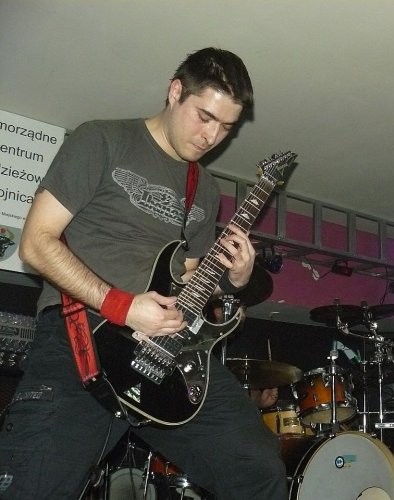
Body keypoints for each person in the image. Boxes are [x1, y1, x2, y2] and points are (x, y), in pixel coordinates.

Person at [0, 47, 287, 499]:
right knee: (33, 488)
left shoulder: (205, 189)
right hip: (83, 336)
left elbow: (189, 283)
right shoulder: (102, 139)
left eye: (226, 127)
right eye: (205, 117)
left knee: (259, 467)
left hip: (170, 354)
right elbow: (35, 244)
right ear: (175, 91)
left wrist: (233, 282)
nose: (212, 136)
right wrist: (123, 306)